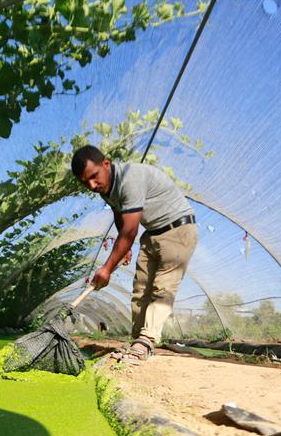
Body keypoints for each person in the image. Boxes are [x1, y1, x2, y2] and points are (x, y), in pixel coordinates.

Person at [71, 145, 197, 363]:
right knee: (140, 290)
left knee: (163, 288)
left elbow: (130, 231)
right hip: (152, 233)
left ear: (106, 164)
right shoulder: (106, 188)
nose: (92, 185)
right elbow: (118, 214)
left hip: (178, 230)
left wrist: (107, 268)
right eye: (85, 183)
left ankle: (146, 341)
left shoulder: (130, 179)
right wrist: (125, 249)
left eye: (94, 176)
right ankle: (137, 340)